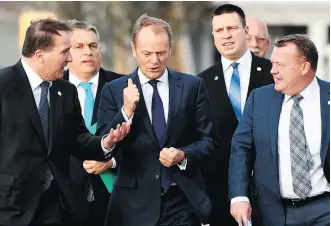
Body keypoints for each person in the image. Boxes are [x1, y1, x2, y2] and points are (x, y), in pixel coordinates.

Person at [0, 18, 130, 226]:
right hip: (10, 209)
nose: (70, 58)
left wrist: (105, 142)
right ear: (40, 55)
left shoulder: (65, 90)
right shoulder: (4, 86)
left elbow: (77, 138)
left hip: (57, 207)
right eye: (65, 51)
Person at [97, 14, 218, 226]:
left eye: (161, 53)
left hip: (182, 200)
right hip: (132, 206)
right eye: (147, 53)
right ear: (134, 49)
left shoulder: (192, 87)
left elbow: (210, 140)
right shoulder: (114, 90)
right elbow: (103, 145)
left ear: (170, 48)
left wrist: (183, 155)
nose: (155, 60)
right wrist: (125, 111)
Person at [229, 34, 330, 226]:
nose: (272, 71)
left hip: (326, 209)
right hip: (275, 212)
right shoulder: (259, 99)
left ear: (304, 67)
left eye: (280, 65)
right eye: (272, 64)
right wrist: (239, 196)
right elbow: (241, 149)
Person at [197, 4, 274, 226]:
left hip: (270, 192)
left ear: (246, 32)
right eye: (219, 30)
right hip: (220, 196)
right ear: (213, 36)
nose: (226, 35)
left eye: (232, 28)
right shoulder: (200, 83)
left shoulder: (274, 73)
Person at [63, 20, 123, 226]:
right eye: (78, 47)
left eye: (92, 46)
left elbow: (145, 141)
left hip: (116, 197)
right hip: (65, 200)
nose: (87, 52)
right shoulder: (53, 89)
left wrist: (111, 162)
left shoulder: (124, 86)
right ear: (66, 52)